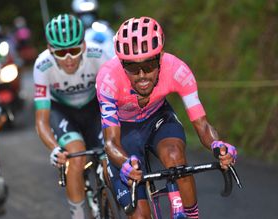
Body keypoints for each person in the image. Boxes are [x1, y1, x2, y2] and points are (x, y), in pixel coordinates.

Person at [96, 16, 238, 219]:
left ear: (161, 56)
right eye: (133, 68)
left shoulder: (177, 70)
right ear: (121, 63)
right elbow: (110, 142)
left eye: (150, 65)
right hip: (124, 129)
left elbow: (202, 126)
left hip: (158, 119)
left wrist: (217, 146)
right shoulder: (108, 78)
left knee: (175, 157)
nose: (142, 75)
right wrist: (125, 162)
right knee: (139, 215)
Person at [33, 13, 110, 219]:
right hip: (63, 112)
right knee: (76, 158)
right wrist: (55, 148)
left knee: (109, 157)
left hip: (95, 108)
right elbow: (41, 119)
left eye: (74, 50)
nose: (68, 58)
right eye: (61, 53)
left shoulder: (99, 54)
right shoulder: (42, 65)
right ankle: (77, 214)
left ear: (84, 46)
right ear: (50, 49)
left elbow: (116, 99)